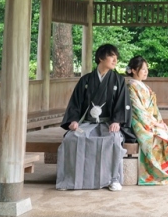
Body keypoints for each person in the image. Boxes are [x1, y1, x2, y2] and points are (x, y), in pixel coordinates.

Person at [56, 44, 130, 191]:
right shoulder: (86, 80)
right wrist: (74, 120)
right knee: (71, 138)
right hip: (88, 123)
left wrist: (116, 121)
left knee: (114, 140)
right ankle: (70, 179)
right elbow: (75, 103)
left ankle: (113, 178)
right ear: (101, 58)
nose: (115, 60)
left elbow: (123, 103)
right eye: (111, 56)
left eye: (116, 57)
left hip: (108, 123)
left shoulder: (118, 80)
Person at [125, 56, 168, 185]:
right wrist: (151, 123)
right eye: (143, 69)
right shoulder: (130, 86)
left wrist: (159, 121)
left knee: (165, 132)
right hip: (139, 121)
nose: (146, 72)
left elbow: (154, 109)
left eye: (147, 69)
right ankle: (157, 171)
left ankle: (166, 168)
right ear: (134, 70)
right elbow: (137, 109)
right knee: (156, 137)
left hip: (150, 119)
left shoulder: (145, 86)